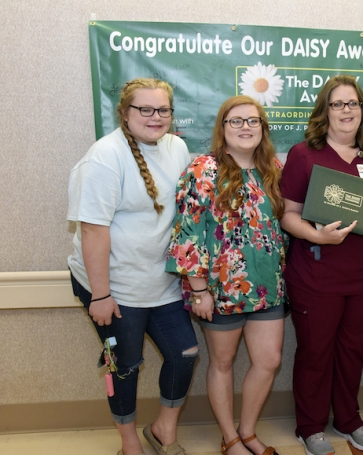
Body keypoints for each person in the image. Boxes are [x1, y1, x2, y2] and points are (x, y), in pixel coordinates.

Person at [67, 78, 198, 455]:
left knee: (185, 354)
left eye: (163, 110)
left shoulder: (177, 147)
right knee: (124, 364)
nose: (155, 117)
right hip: (113, 285)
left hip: (161, 281)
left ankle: (163, 431)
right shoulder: (104, 156)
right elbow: (93, 231)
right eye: (145, 109)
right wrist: (101, 294)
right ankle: (129, 443)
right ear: (124, 113)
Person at [166, 95, 286, 455]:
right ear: (222, 128)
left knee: (269, 361)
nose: (245, 127)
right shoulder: (203, 169)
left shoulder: (273, 170)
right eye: (236, 121)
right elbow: (187, 230)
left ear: (263, 129)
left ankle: (247, 432)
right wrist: (199, 290)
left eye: (253, 121)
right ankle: (229, 437)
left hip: (267, 287)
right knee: (222, 362)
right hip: (220, 289)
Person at [280, 75, 363, 455]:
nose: (347, 111)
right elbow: (288, 215)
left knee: (353, 351)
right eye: (338, 104)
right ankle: (309, 425)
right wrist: (317, 237)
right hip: (316, 273)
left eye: (353, 103)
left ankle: (348, 418)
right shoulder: (303, 155)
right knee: (315, 351)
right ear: (324, 112)